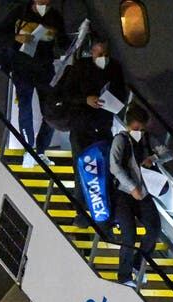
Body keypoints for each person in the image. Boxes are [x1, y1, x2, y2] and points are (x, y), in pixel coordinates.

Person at [62, 37, 126, 227]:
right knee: (82, 171)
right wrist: (85, 99)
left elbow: (121, 93)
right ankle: (81, 214)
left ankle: (105, 217)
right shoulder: (80, 67)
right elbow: (67, 94)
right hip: (81, 127)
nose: (103, 58)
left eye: (106, 54)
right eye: (99, 54)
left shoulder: (115, 68)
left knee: (106, 170)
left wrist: (113, 100)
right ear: (92, 52)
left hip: (103, 125)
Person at [0, 0, 65, 168]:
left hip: (45, 68)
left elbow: (63, 42)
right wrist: (17, 37)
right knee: (25, 109)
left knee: (52, 111)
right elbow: (0, 34)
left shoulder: (54, 16)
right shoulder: (20, 11)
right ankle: (29, 149)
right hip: (22, 67)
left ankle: (40, 150)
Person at [109, 103, 172, 287]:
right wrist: (131, 187)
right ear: (130, 125)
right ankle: (124, 275)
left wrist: (153, 158)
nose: (140, 131)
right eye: (136, 128)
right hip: (123, 194)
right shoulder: (120, 140)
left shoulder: (147, 139)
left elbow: (169, 153)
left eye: (142, 128)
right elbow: (115, 167)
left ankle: (137, 264)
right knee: (129, 234)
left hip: (145, 192)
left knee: (154, 229)